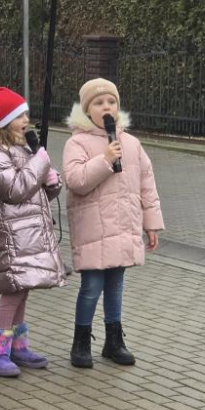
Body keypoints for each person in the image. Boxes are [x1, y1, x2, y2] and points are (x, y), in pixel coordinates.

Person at [62, 78, 164, 368]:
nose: (106, 106)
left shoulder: (131, 143)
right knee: (91, 287)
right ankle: (81, 341)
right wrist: (105, 160)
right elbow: (76, 181)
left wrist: (151, 223)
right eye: (99, 102)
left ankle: (114, 340)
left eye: (111, 102)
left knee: (116, 287)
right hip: (94, 230)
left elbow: (147, 183)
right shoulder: (77, 142)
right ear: (87, 110)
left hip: (123, 227)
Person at [0, 87, 66, 377]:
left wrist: (51, 179)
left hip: (29, 232)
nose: (26, 119)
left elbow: (40, 193)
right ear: (3, 120)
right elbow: (15, 190)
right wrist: (39, 164)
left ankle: (18, 345)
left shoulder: (23, 148)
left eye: (26, 113)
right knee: (12, 291)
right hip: (11, 235)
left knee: (22, 289)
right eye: (19, 115)